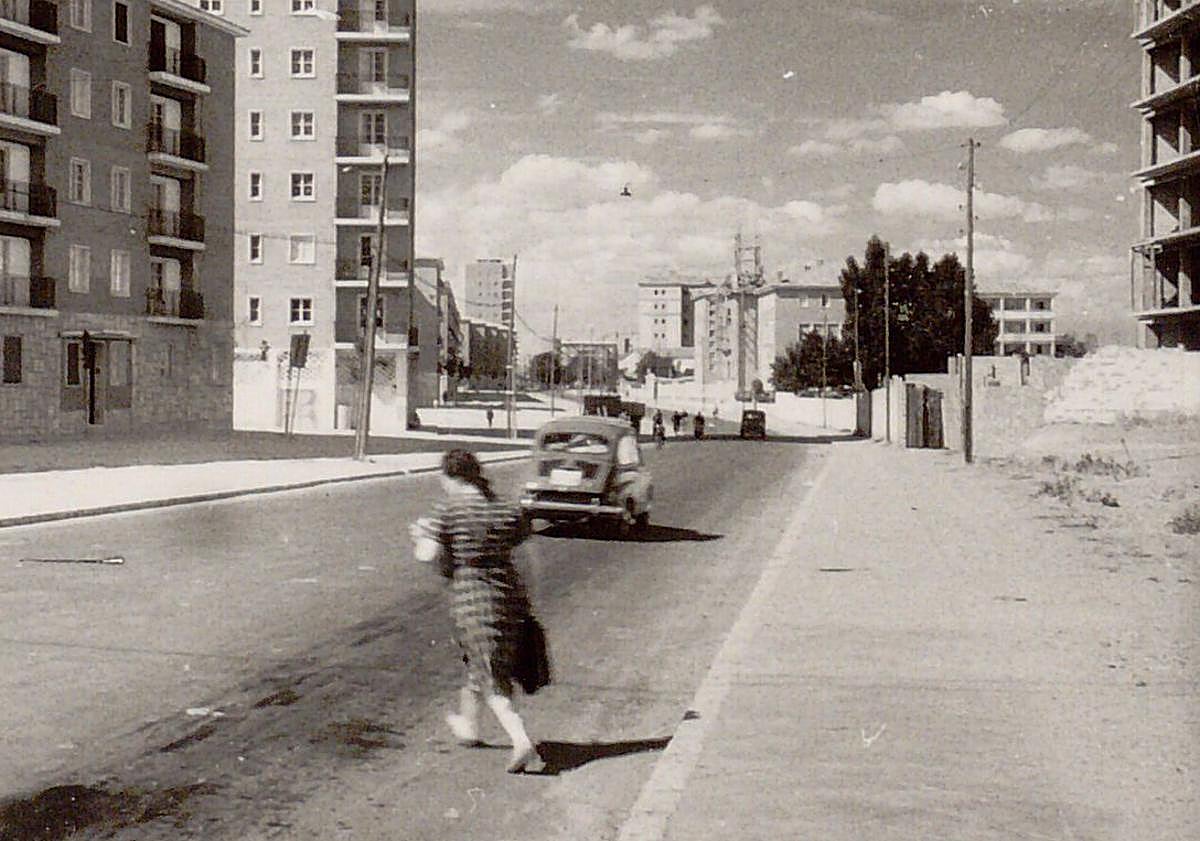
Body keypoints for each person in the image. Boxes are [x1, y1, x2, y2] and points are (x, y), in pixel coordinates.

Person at [411, 450, 540, 773]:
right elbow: (527, 545)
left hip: (472, 597)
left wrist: (420, 536)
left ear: (450, 477)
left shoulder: (448, 509)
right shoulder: (503, 507)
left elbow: (427, 556)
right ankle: (469, 727)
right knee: (484, 662)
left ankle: (521, 739)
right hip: (509, 594)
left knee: (490, 672)